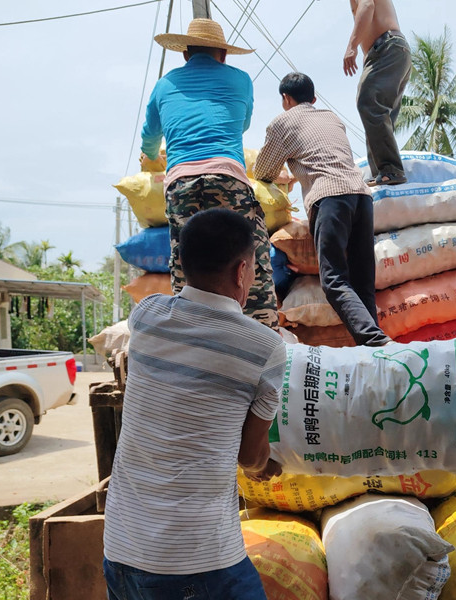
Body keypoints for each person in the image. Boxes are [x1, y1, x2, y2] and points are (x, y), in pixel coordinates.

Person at [103, 209, 286, 600]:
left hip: (122, 556)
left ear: (180, 264)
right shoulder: (264, 347)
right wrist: (266, 463)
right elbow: (250, 456)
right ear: (243, 270)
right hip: (197, 567)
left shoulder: (146, 316)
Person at [139, 18, 278, 330]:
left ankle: (188, 335)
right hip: (229, 178)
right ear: (223, 55)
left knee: (186, 263)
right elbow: (241, 124)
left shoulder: (165, 85)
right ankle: (265, 335)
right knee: (250, 258)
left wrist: (150, 158)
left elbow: (149, 137)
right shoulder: (241, 80)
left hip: (180, 185)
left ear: (185, 54)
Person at [255, 72, 390, 347]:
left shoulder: (282, 122)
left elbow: (263, 171)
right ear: (314, 98)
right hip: (362, 197)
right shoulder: (332, 118)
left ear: (285, 99)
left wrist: (286, 177)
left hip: (329, 197)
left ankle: (374, 340)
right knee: (363, 281)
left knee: (334, 281)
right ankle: (376, 346)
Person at [343, 0, 411, 187]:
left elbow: (367, 6)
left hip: (386, 47)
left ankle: (391, 169)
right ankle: (382, 172)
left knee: (369, 104)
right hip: (387, 51)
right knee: (376, 113)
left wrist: (352, 46)